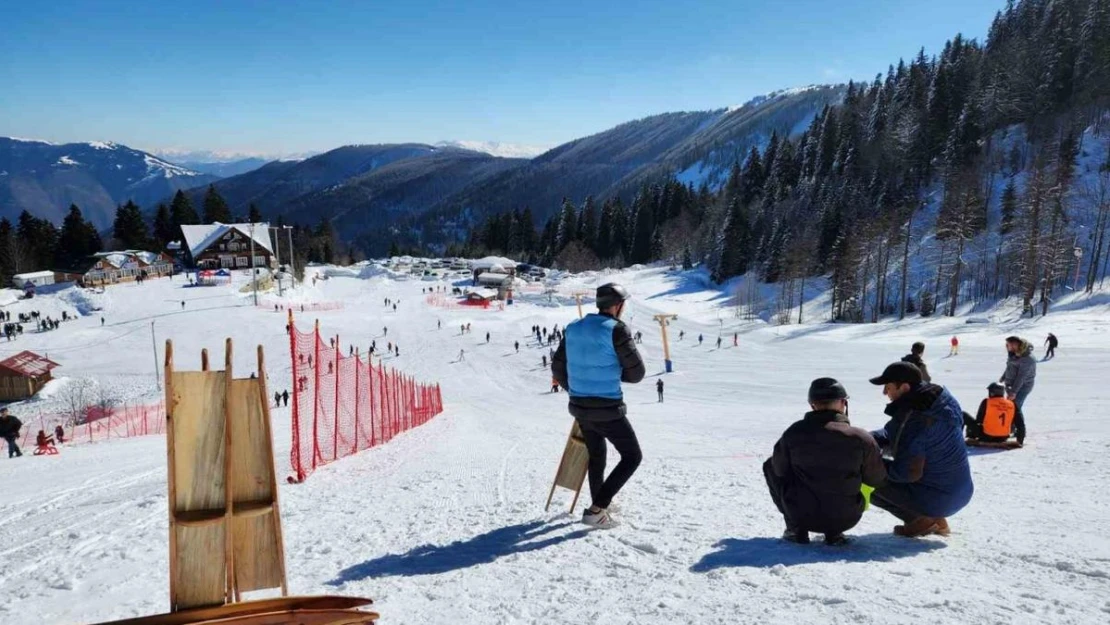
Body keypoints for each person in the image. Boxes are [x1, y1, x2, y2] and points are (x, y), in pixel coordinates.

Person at [553, 283, 645, 529]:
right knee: (632, 456)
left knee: (597, 455)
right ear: (618, 306)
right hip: (608, 408)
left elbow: (558, 369)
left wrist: (578, 389)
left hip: (580, 407)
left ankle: (599, 503)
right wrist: (612, 375)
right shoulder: (616, 330)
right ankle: (597, 509)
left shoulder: (573, 328)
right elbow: (636, 373)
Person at [764, 378, 886, 545]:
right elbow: (876, 479)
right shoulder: (862, 438)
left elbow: (779, 470)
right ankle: (835, 533)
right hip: (847, 518)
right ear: (843, 403)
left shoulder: (794, 433)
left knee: (771, 465)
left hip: (800, 515)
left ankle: (795, 529)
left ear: (812, 405)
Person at [867, 362, 973, 537]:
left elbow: (907, 473)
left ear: (905, 387)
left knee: (867, 478)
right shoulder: (938, 402)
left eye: (888, 387)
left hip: (939, 497)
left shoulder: (916, 419)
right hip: (960, 491)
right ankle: (935, 519)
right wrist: (866, 438)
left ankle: (921, 520)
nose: (885, 392)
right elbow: (893, 433)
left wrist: (867, 461)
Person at [1001, 336, 1037, 412]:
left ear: (1020, 345)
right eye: (1008, 344)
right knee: (1010, 407)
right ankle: (1010, 423)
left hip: (1022, 387)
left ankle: (1019, 424)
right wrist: (1002, 379)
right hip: (1011, 385)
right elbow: (1009, 368)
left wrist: (1013, 392)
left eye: (1012, 344)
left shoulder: (1028, 359)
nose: (1009, 347)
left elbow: (1021, 377)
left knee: (1015, 408)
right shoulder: (1013, 354)